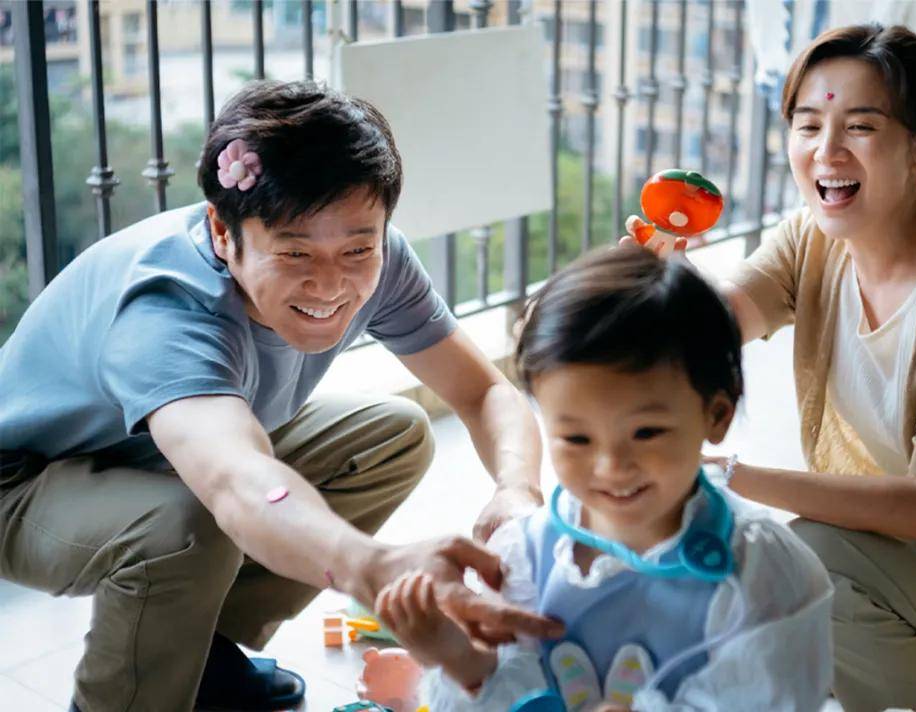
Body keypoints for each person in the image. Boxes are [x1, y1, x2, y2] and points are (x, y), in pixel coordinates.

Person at [0, 80, 562, 712]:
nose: (330, 283)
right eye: (295, 252)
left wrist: (517, 490)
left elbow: (482, 391)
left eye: (357, 248)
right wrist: (375, 568)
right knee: (184, 532)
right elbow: (236, 481)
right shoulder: (167, 310)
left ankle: (197, 653)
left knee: (390, 435)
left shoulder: (378, 258)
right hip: (24, 479)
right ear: (222, 230)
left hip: (153, 453)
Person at [629, 23, 916, 712]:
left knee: (799, 569)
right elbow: (712, 329)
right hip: (897, 555)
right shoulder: (812, 239)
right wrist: (650, 289)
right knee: (770, 584)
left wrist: (729, 476)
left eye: (860, 126)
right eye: (808, 125)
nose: (826, 151)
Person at [375, 247, 835, 711]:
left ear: (716, 415)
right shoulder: (526, 554)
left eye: (646, 432)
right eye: (576, 438)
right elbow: (514, 694)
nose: (611, 466)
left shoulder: (762, 573)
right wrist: (462, 660)